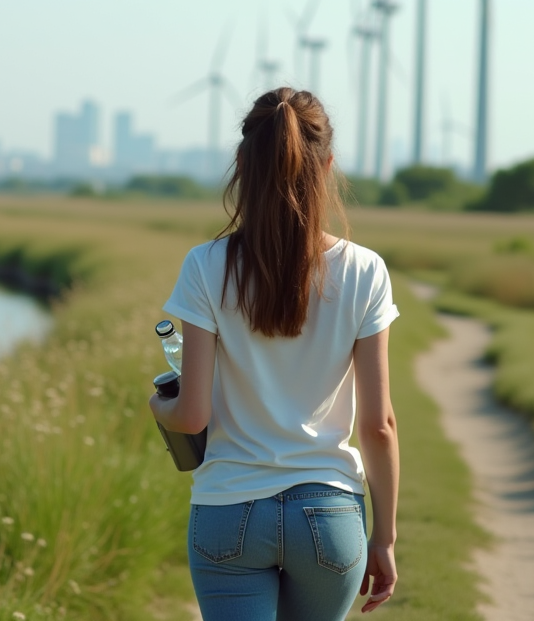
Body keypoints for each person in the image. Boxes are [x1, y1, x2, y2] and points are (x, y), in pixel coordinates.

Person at [148, 87, 400, 620]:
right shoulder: (366, 270)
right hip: (329, 516)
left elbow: (192, 414)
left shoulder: (204, 265)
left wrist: (158, 408)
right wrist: (385, 537)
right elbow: (379, 426)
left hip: (228, 509)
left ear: (242, 165)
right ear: (328, 165)